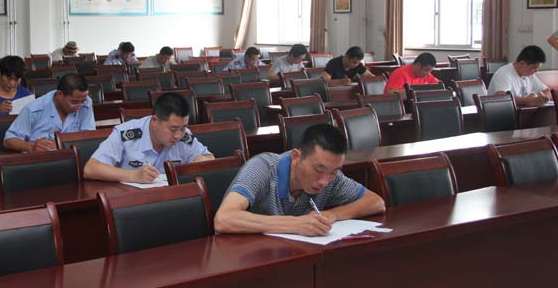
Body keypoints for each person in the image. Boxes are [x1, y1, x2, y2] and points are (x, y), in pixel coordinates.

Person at [214, 124, 385, 236]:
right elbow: (224, 218)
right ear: (296, 157)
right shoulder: (262, 168)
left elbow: (376, 202)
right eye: (319, 169)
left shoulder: (332, 178)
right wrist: (295, 224)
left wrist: (331, 215)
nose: (324, 181)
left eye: (334, 171)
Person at [84, 92, 214, 183]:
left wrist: (202, 161)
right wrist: (134, 175)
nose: (178, 135)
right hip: (133, 202)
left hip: (172, 200)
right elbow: (90, 169)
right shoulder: (126, 134)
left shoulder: (185, 135)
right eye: (173, 129)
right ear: (154, 121)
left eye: (183, 128)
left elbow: (209, 157)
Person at [4, 73, 95, 153]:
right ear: (60, 95)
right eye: (74, 102)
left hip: (74, 157)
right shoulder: (33, 109)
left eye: (83, 101)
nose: (79, 106)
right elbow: (8, 140)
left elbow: (89, 135)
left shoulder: (86, 102)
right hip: (43, 160)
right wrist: (31, 147)